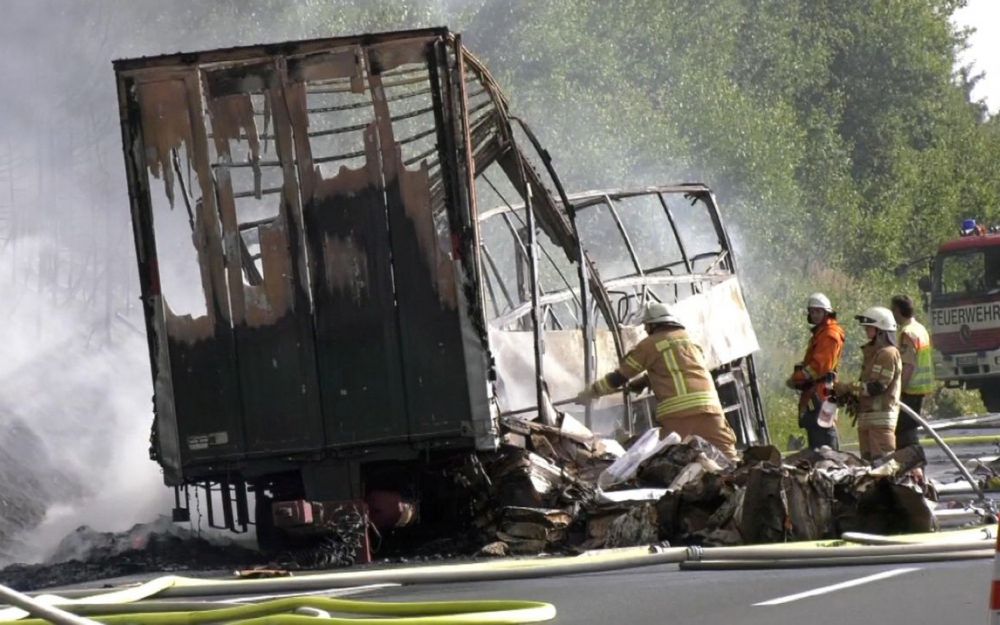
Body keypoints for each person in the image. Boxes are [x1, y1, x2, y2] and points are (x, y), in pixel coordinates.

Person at [574, 302, 739, 461]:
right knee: (730, 459)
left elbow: (620, 377)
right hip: (710, 411)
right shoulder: (690, 341)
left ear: (654, 324)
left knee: (668, 461)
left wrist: (592, 393)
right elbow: (682, 372)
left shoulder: (650, 345)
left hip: (678, 414)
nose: (645, 329)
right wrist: (646, 381)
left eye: (646, 325)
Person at [834, 306, 902, 461]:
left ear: (880, 329)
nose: (866, 330)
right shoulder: (875, 353)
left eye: (869, 327)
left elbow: (877, 387)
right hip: (868, 421)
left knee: (882, 468)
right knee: (868, 469)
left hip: (880, 424)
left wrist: (849, 387)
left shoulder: (888, 353)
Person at [786, 293, 845, 450]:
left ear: (826, 312)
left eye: (818, 311)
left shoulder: (829, 334)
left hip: (823, 391)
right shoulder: (821, 332)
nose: (814, 315)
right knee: (815, 431)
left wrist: (797, 378)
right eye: (812, 312)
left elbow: (819, 367)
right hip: (816, 390)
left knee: (823, 432)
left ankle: (832, 467)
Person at [890, 294, 933, 450]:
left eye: (892, 309)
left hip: (909, 390)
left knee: (904, 433)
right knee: (910, 430)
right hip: (919, 389)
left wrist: (897, 391)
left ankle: (912, 467)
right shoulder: (920, 329)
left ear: (898, 310)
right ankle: (915, 468)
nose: (891, 313)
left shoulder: (907, 333)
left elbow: (908, 365)